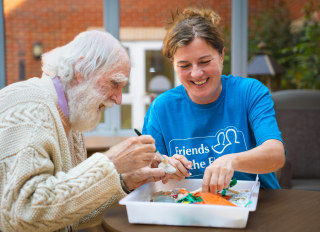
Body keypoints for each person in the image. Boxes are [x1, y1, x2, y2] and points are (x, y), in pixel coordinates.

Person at [0, 30, 166, 232]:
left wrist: (125, 182)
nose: (119, 100)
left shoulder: (71, 114)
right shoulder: (32, 108)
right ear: (80, 71)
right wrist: (110, 163)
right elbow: (23, 214)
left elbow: (68, 214)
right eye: (115, 83)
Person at [142, 7, 286, 193]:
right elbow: (147, 166)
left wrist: (231, 160)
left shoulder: (249, 92)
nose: (196, 73)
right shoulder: (161, 108)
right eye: (184, 65)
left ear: (221, 56)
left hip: (260, 205)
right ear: (173, 66)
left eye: (204, 62)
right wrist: (163, 165)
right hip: (188, 210)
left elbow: (276, 155)